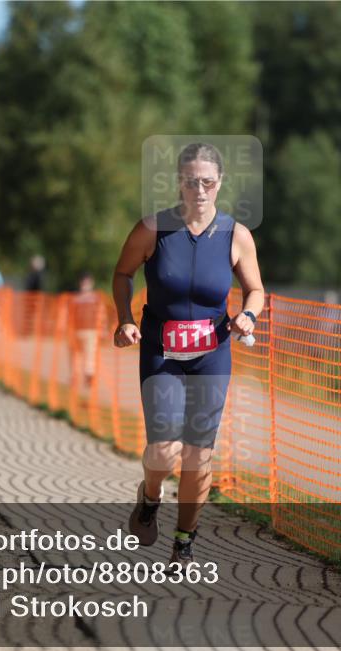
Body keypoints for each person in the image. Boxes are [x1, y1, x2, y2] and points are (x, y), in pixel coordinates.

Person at [112, 142, 265, 564]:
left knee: (199, 454)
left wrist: (249, 315)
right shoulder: (152, 229)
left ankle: (184, 541)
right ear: (178, 182)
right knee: (164, 449)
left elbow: (255, 289)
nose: (199, 190)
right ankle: (150, 494)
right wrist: (125, 318)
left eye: (208, 182)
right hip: (162, 350)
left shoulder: (236, 235)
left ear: (220, 184)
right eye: (190, 182)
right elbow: (123, 274)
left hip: (211, 354)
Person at [71, 271, 102, 387]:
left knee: (90, 354)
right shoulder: (75, 299)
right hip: (76, 330)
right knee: (75, 356)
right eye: (83, 283)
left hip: (91, 331)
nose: (85, 285)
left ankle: (89, 375)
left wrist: (102, 330)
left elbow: (100, 314)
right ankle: (75, 376)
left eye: (87, 283)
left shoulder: (95, 299)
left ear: (91, 283)